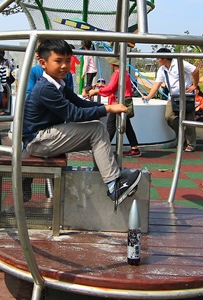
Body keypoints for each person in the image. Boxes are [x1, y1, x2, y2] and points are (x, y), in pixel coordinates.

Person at [23, 39, 141, 207]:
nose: (64, 66)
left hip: (45, 137)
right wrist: (107, 109)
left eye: (67, 61)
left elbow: (81, 103)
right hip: (37, 141)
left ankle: (110, 178)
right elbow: (75, 113)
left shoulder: (59, 84)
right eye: (58, 61)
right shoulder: (46, 88)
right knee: (96, 129)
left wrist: (105, 106)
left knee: (96, 130)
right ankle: (114, 185)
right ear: (43, 63)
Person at [144, 47, 199, 153]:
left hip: (186, 95)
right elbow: (157, 83)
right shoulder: (162, 69)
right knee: (169, 117)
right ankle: (181, 135)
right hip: (173, 97)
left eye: (158, 58)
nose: (157, 60)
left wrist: (195, 85)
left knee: (189, 120)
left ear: (164, 58)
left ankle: (191, 143)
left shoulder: (179, 63)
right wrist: (149, 96)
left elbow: (195, 70)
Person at [88, 57, 141, 157]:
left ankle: (102, 146)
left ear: (112, 64)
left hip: (118, 101)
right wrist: (104, 87)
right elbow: (116, 86)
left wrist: (96, 91)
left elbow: (111, 88)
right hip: (124, 99)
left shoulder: (117, 73)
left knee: (111, 124)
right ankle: (134, 148)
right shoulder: (123, 72)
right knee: (126, 125)